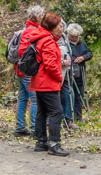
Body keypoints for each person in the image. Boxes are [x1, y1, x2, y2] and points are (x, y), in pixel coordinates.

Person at [22, 13, 68, 156]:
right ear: (51, 27)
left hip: (39, 81)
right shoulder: (47, 40)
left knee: (42, 111)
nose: (61, 28)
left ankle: (41, 141)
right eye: (58, 25)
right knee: (56, 111)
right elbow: (50, 64)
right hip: (48, 82)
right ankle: (54, 144)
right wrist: (60, 77)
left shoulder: (41, 37)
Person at [13, 5, 44, 136]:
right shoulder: (31, 30)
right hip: (27, 71)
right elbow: (23, 51)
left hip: (21, 70)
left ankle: (20, 126)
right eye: (42, 15)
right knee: (34, 98)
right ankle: (33, 128)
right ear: (37, 17)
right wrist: (34, 65)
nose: (43, 18)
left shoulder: (27, 28)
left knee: (24, 97)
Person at [66, 23, 92, 123]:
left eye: (76, 36)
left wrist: (83, 57)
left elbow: (90, 53)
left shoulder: (82, 42)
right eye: (72, 36)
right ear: (68, 34)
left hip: (80, 72)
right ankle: (69, 117)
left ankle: (78, 116)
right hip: (69, 72)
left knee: (79, 94)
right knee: (69, 94)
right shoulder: (65, 43)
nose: (74, 38)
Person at [57, 20, 75, 130]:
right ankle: (56, 121)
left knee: (70, 93)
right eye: (59, 26)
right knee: (56, 97)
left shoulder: (64, 37)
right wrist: (62, 62)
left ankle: (69, 120)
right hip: (57, 71)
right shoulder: (50, 38)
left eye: (62, 26)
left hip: (67, 71)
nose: (61, 28)